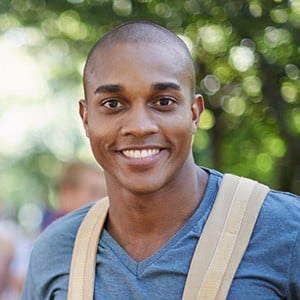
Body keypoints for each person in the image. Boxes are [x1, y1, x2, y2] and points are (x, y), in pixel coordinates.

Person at [22, 21, 300, 299]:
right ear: (86, 118)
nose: (140, 126)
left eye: (164, 101)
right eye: (113, 104)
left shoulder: (286, 230)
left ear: (194, 113)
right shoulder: (56, 251)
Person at [42, 161, 107, 229]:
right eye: (95, 192)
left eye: (105, 194)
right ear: (67, 191)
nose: (102, 200)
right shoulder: (55, 233)